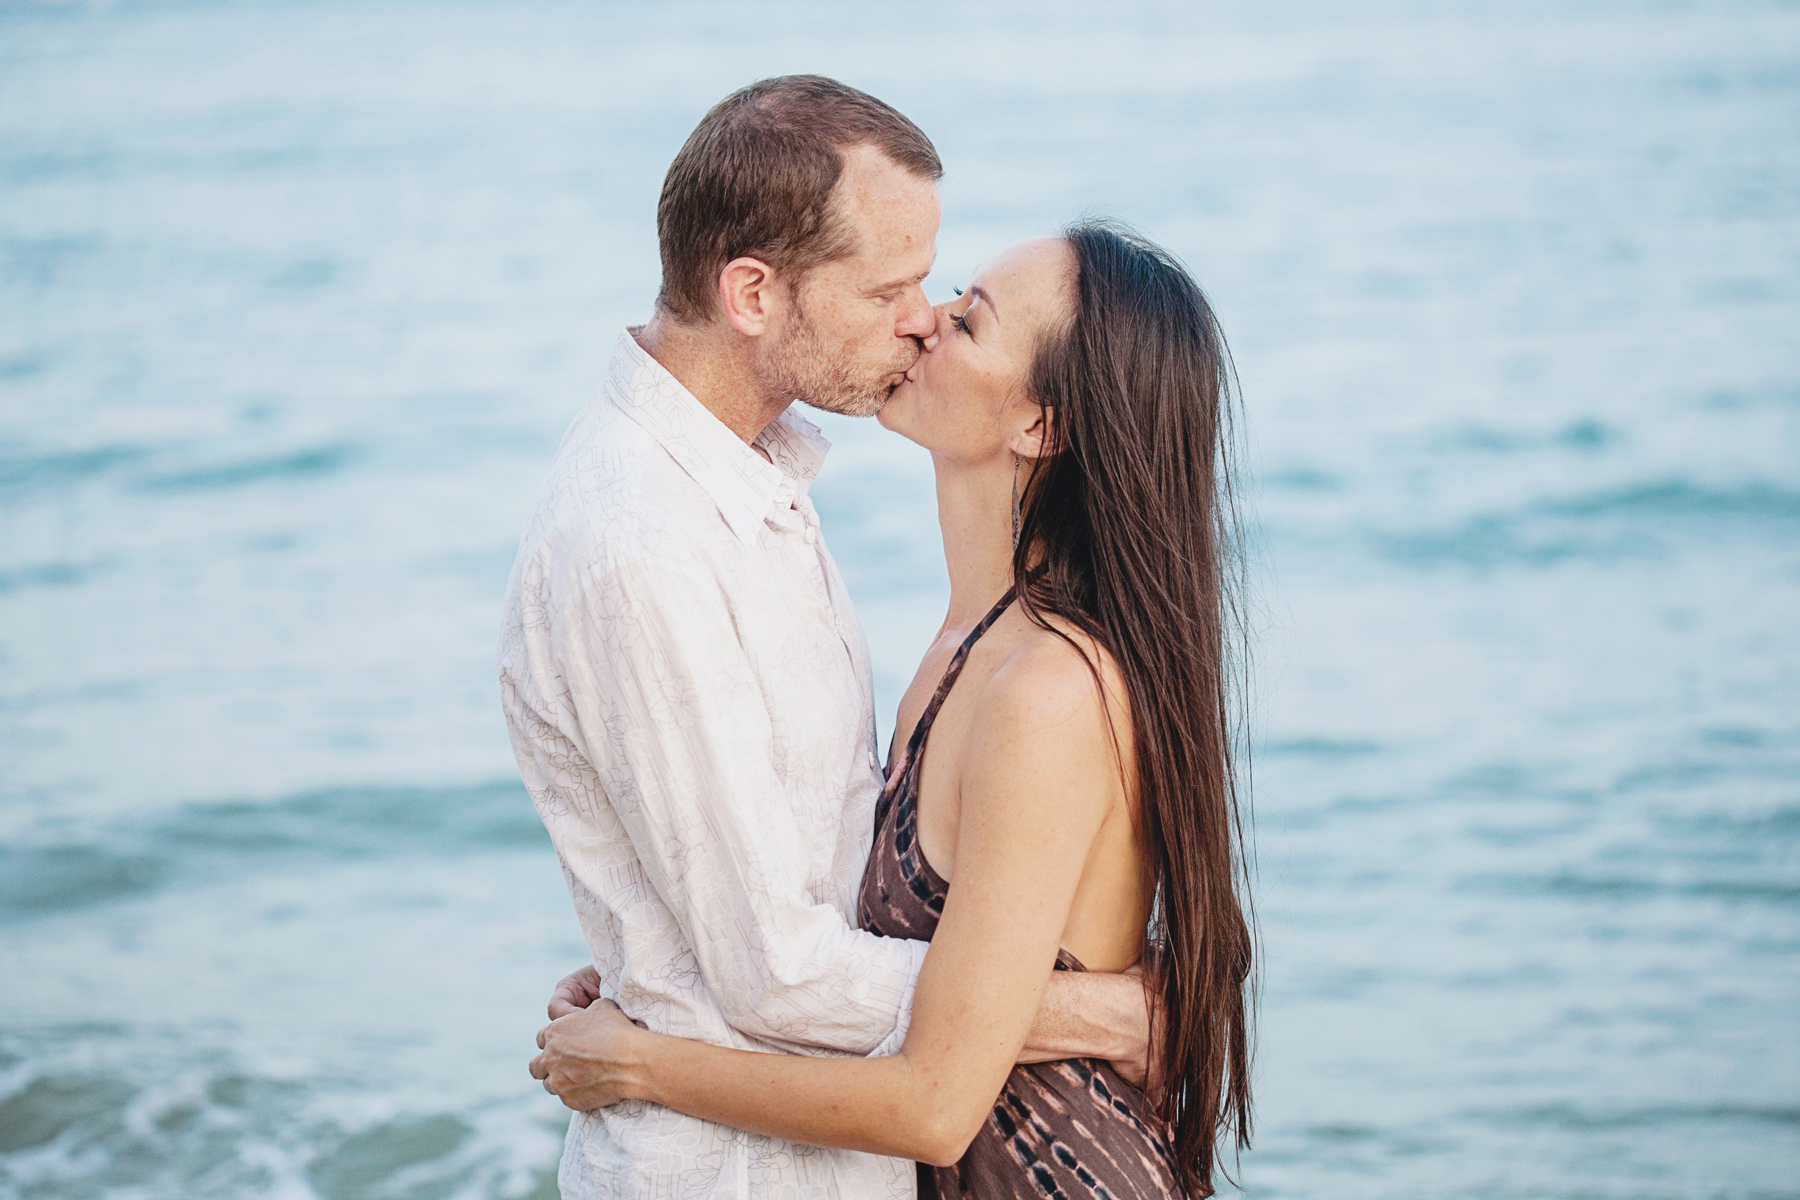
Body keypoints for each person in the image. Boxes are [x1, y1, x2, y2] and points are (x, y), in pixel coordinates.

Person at [498, 76, 1153, 1200]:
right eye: (891, 287)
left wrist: (642, 958)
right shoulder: (640, 547)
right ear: (753, 293)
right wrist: (1101, 1014)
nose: (923, 319)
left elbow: (791, 864)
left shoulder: (756, 480)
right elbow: (777, 975)